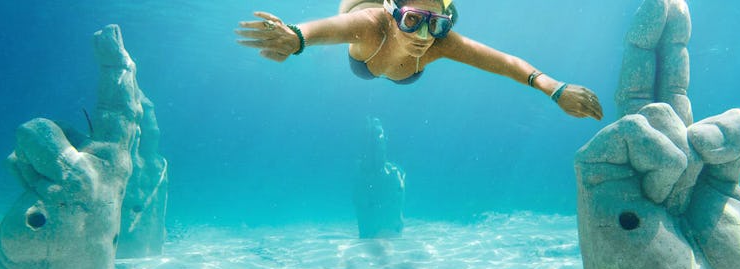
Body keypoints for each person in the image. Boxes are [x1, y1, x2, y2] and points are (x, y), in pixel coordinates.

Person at [236, 0, 603, 120]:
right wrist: (296, 37)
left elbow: (504, 62)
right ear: (395, 13)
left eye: (437, 24)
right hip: (364, 35)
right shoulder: (372, 25)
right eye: (412, 20)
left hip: (391, 68)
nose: (424, 37)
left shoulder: (440, 43)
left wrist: (554, 89)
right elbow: (325, 29)